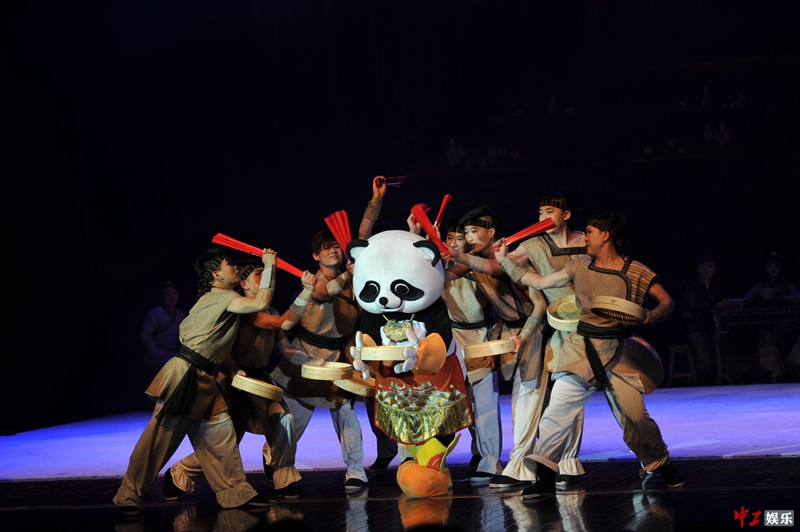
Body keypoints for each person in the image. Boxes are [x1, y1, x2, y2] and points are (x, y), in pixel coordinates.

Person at [496, 213, 684, 497]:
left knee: (636, 417)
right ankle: (545, 475)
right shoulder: (579, 265)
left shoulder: (636, 271)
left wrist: (651, 316)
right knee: (556, 413)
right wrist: (504, 260)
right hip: (580, 349)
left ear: (606, 235)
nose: (584, 237)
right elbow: (539, 281)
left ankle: (660, 460)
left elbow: (667, 301)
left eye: (590, 232)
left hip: (618, 351)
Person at [113, 248, 277, 515]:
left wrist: (232, 368)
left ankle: (235, 492)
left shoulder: (212, 300)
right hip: (185, 377)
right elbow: (260, 303)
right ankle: (129, 495)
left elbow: (214, 344)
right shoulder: (225, 298)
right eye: (229, 264)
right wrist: (269, 267)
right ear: (216, 274)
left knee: (221, 436)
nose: (235, 267)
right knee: (158, 441)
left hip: (203, 378)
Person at [459, 193, 589, 489]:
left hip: (581, 327)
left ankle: (568, 461)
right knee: (530, 399)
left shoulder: (586, 242)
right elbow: (498, 267)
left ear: (567, 214)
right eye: (540, 212)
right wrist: (462, 257)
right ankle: (523, 463)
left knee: (571, 399)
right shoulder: (532, 246)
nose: (543, 217)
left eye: (549, 211)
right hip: (542, 332)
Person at [165, 257, 320, 500]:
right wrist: (308, 291)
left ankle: (283, 475)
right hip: (234, 383)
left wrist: (314, 362)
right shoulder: (245, 311)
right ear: (244, 285)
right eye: (259, 273)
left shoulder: (270, 311)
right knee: (225, 448)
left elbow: (288, 350)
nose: (267, 277)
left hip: (258, 382)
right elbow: (285, 323)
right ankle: (180, 470)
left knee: (284, 421)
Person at [441, 205, 546, 486]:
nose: (469, 237)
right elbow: (444, 276)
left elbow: (501, 272)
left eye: (474, 231)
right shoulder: (471, 262)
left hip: (533, 331)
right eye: (465, 232)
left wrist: (525, 335)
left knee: (529, 403)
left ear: (492, 233)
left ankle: (529, 464)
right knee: (521, 405)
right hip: (508, 333)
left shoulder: (511, 258)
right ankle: (528, 463)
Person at [271, 230, 368, 490]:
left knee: (346, 411)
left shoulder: (354, 286)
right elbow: (326, 292)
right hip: (306, 358)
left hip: (336, 361)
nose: (333, 250)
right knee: (292, 424)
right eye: (326, 247)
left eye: (336, 246)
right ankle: (276, 461)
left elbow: (353, 328)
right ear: (316, 256)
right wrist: (348, 274)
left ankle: (355, 469)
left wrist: (357, 361)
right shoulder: (314, 283)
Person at [677, 252, 733, 384]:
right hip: (690, 324)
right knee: (700, 339)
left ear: (715, 270)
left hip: (708, 324)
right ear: (698, 269)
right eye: (704, 266)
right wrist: (717, 305)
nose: (707, 269)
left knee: (724, 338)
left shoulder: (716, 287)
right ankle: (705, 377)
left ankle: (726, 375)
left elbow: (725, 300)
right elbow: (696, 304)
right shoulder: (691, 286)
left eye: (710, 266)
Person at [745, 251, 800, 382]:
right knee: (764, 335)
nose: (773, 269)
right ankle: (768, 370)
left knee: (772, 334)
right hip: (766, 322)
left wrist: (783, 298)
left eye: (776, 265)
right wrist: (757, 296)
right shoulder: (762, 285)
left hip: (784, 321)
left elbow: (797, 298)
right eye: (770, 266)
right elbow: (746, 298)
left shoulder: (787, 284)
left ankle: (778, 371)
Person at [140, 282, 185, 385]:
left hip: (172, 354)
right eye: (168, 293)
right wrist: (156, 353)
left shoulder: (180, 314)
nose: (172, 296)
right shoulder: (156, 312)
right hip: (156, 355)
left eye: (174, 293)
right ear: (162, 297)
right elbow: (145, 334)